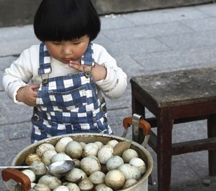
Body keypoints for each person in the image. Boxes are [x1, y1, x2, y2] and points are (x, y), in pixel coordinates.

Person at [2, 0, 127, 143]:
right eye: (56, 43)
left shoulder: (97, 55)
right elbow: (10, 76)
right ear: (43, 37)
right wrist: (19, 92)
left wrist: (103, 75)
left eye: (76, 43)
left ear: (89, 36)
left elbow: (119, 91)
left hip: (94, 140)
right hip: (49, 140)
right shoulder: (33, 57)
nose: (66, 51)